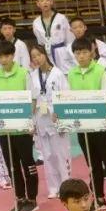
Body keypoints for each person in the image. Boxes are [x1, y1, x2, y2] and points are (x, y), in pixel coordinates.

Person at [62, 39, 106, 211]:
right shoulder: (71, 74)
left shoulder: (100, 71)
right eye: (77, 53)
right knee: (93, 164)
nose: (81, 56)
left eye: (84, 52)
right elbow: (67, 99)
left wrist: (103, 115)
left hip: (101, 125)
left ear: (91, 53)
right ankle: (98, 197)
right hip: (82, 126)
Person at [0, 41, 39, 211]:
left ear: (12, 56)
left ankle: (32, 198)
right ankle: (20, 197)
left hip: (22, 128)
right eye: (0, 56)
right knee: (12, 164)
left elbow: (33, 99)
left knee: (27, 163)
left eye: (7, 56)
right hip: (4, 129)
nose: (3, 59)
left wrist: (29, 122)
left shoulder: (24, 73)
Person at [28, 43, 71, 199]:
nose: (37, 59)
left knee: (61, 154)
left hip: (56, 117)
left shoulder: (58, 73)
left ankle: (66, 185)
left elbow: (65, 96)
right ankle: (53, 187)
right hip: (41, 117)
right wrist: (31, 121)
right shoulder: (33, 75)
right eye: (33, 57)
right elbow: (33, 99)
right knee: (47, 155)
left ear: (45, 54)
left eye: (39, 55)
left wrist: (60, 114)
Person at [31, 0, 73, 68]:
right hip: (47, 54)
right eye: (42, 0)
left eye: (47, 0)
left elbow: (70, 40)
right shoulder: (36, 23)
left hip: (62, 53)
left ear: (51, 2)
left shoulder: (61, 18)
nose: (45, 2)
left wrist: (71, 56)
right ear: (38, 4)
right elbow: (40, 43)